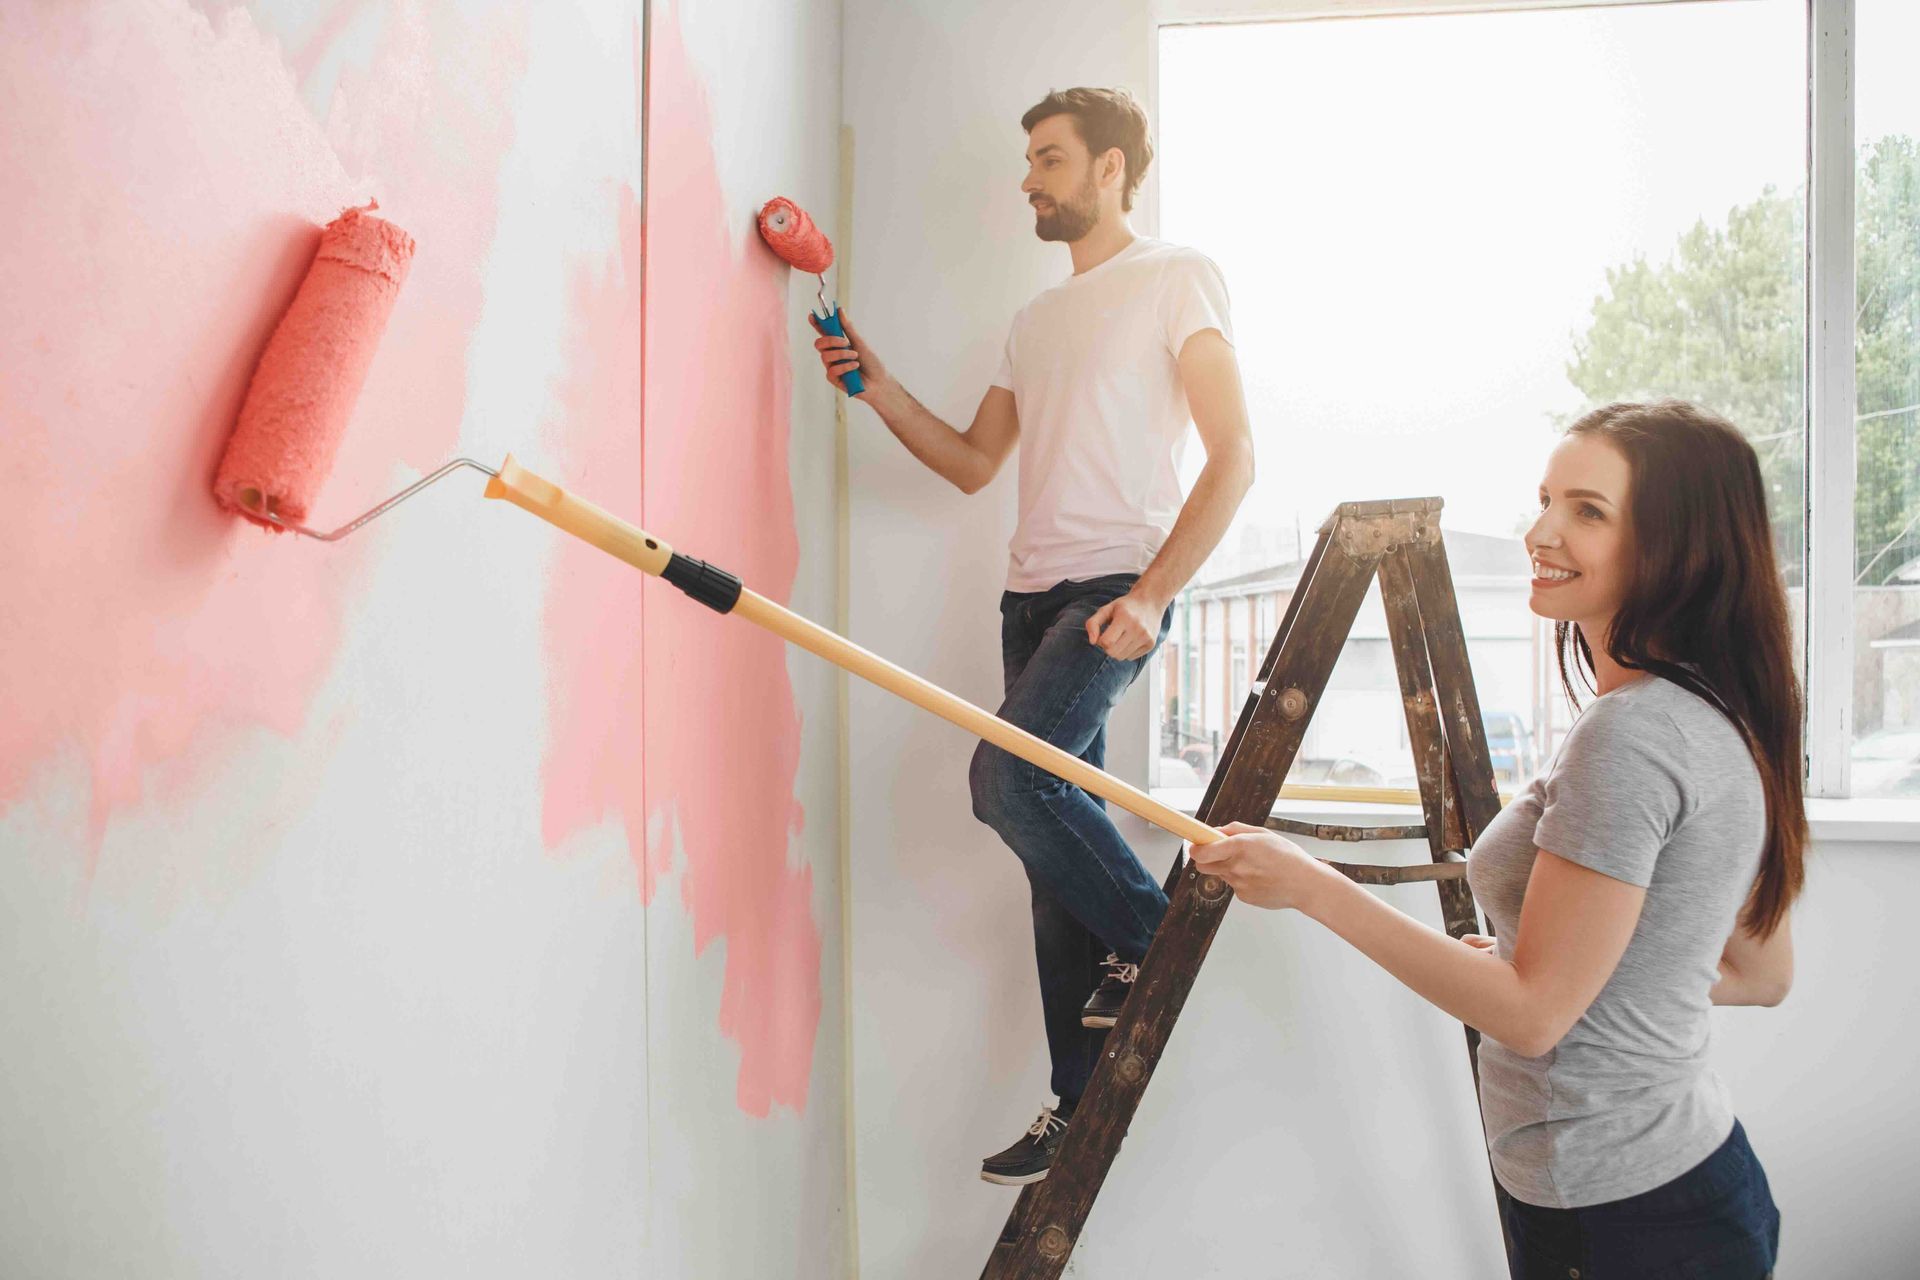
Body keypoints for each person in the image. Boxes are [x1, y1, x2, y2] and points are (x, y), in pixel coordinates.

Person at [1189, 400, 1799, 1277]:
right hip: (1678, 1180)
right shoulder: (1713, 710)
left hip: (1619, 1214)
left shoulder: (1633, 737)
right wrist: (1547, 957)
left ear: (1678, 547)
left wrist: (1310, 882)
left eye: (1587, 511)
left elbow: (1530, 1013)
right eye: (1546, 499)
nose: (1540, 531)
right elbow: (1757, 972)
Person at [813, 86, 1254, 1185]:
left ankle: (1158, 945)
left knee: (1009, 783)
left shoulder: (1176, 276)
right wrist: (869, 384)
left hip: (1113, 591)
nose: (1028, 182)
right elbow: (971, 460)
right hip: (1027, 600)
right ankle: (1075, 1099)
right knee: (1050, 856)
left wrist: (1153, 594)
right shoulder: (1033, 323)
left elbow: (1235, 453)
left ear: (1112, 169)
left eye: (1049, 159)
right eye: (1029, 163)